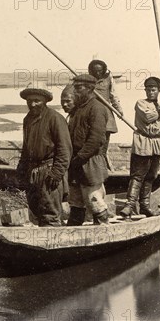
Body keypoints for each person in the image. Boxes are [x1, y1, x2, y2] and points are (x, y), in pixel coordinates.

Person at [120, 76, 160, 218]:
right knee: (138, 175)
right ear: (145, 90)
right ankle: (129, 205)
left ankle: (144, 205)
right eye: (148, 89)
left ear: (159, 91)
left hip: (156, 143)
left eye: (154, 90)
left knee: (151, 176)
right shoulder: (141, 103)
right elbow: (149, 117)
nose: (151, 92)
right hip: (142, 142)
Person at [17, 88, 72, 226]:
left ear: (45, 101)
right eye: (30, 101)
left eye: (37, 101)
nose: (33, 104)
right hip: (33, 172)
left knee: (50, 215)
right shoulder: (27, 119)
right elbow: (26, 148)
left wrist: (57, 173)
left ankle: (55, 244)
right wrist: (21, 171)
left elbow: (65, 149)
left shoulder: (55, 118)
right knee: (35, 213)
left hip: (49, 172)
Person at [67, 74, 110, 226]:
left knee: (95, 200)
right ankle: (72, 233)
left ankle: (104, 231)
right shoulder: (77, 109)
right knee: (76, 202)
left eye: (79, 88)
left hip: (89, 162)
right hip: (76, 162)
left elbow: (96, 139)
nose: (75, 91)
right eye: (75, 87)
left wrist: (79, 157)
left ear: (90, 88)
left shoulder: (97, 108)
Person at [88, 60, 123, 159]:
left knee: (104, 144)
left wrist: (119, 110)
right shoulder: (87, 81)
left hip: (106, 113)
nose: (97, 73)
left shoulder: (108, 79)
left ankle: (102, 163)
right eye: (95, 71)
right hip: (92, 114)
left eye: (100, 71)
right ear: (90, 71)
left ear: (103, 70)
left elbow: (114, 96)